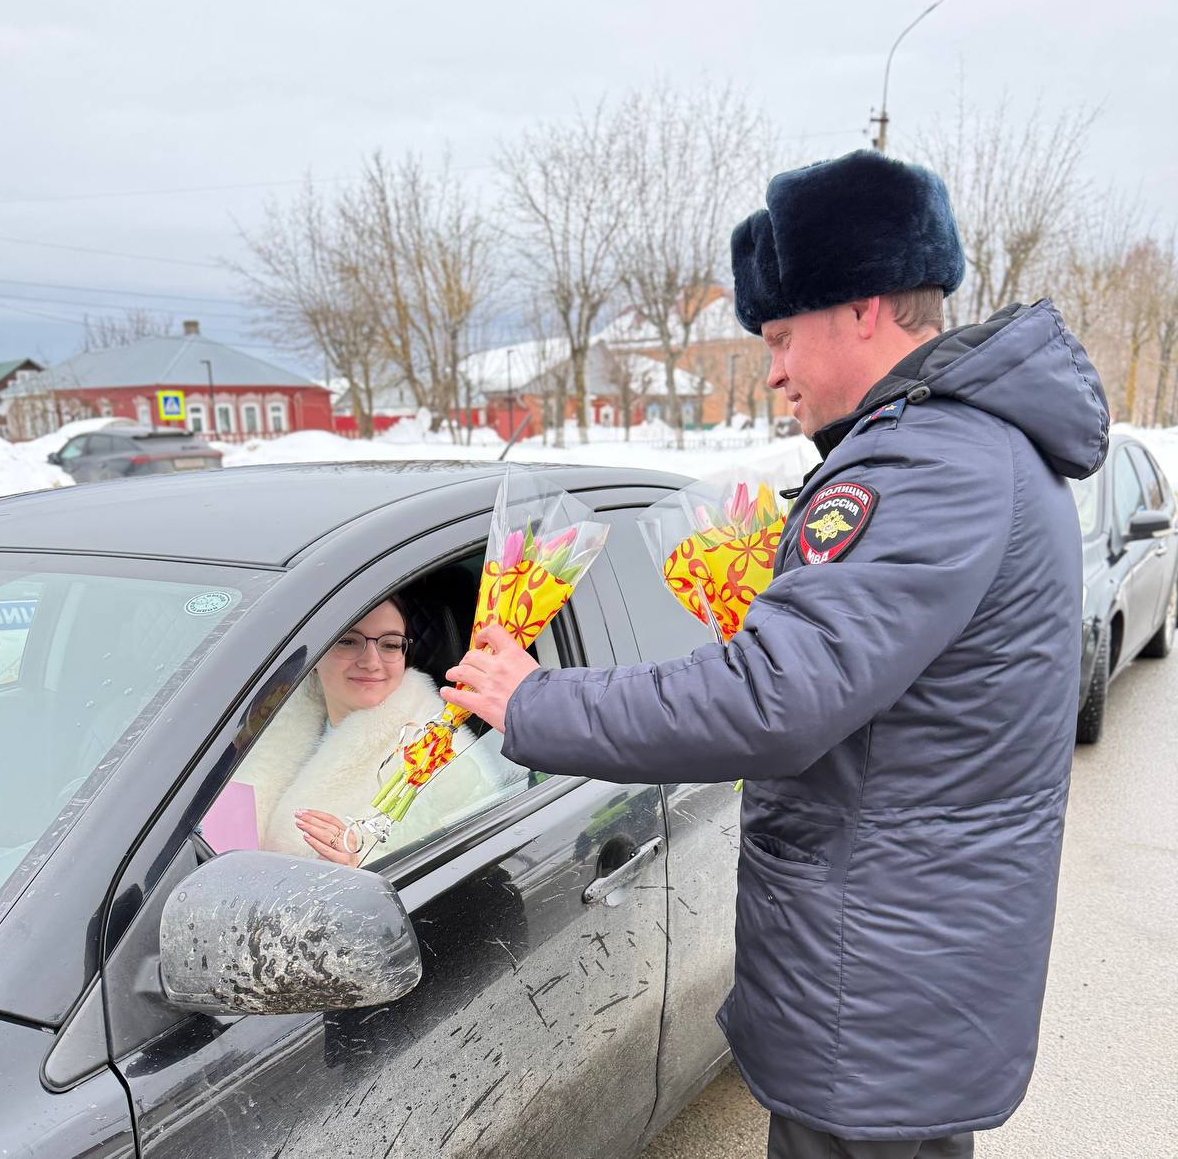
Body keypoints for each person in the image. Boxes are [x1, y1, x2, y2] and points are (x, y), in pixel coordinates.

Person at [441, 150, 1109, 1159]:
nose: (775, 372)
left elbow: (774, 699)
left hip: (875, 983)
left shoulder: (924, 465)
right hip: (902, 972)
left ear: (863, 309)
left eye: (781, 336)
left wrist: (532, 699)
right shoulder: (969, 451)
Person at [235, 595, 481, 864]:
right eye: (348, 641)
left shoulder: (440, 755)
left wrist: (360, 861)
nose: (371, 662)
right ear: (314, 653)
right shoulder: (260, 725)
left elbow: (462, 870)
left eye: (389, 645)